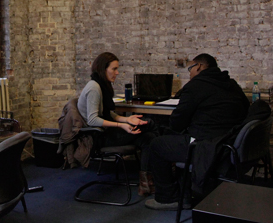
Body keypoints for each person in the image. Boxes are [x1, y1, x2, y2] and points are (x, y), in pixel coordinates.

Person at [145, 53, 250, 210]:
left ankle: (167, 198)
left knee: (157, 145)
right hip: (230, 144)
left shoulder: (195, 86)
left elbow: (177, 123)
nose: (189, 72)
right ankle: (185, 194)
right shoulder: (231, 84)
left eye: (190, 68)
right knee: (176, 139)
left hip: (206, 146)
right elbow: (245, 110)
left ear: (199, 66)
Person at [77, 52, 158, 196]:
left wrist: (126, 119)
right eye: (114, 69)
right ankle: (165, 169)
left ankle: (146, 184)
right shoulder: (94, 88)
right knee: (150, 122)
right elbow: (93, 120)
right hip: (99, 137)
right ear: (103, 69)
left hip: (106, 132)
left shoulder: (102, 85)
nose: (117, 72)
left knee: (149, 138)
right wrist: (121, 125)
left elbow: (108, 113)